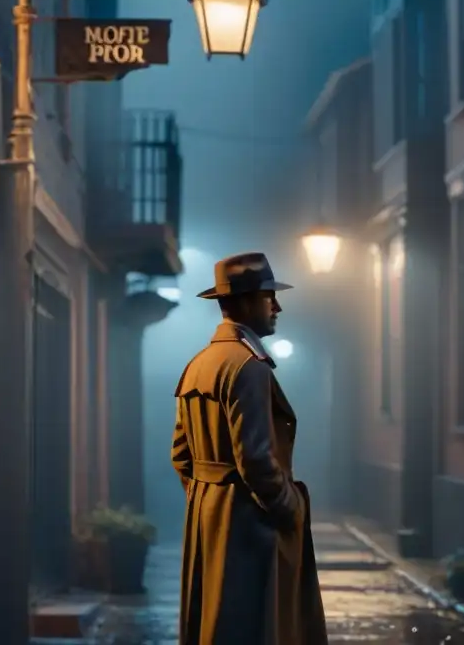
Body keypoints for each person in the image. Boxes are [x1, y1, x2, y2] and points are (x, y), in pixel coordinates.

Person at [171, 252, 328, 645]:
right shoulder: (248, 366)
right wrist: (289, 507)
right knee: (254, 627)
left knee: (214, 623)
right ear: (241, 302)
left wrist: (206, 498)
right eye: (266, 297)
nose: (277, 306)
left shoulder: (199, 364)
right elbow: (256, 459)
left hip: (207, 512)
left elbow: (181, 454)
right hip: (247, 522)